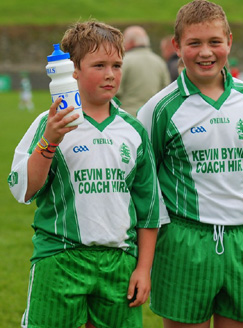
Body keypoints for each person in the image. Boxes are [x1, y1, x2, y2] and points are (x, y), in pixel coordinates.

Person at [8, 20, 160, 328]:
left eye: (117, 65)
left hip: (119, 262)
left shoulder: (133, 131)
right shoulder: (50, 123)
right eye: (99, 65)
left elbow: (149, 210)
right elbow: (24, 190)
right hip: (60, 258)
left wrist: (143, 269)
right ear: (72, 70)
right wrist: (49, 142)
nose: (110, 74)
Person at [137, 1, 243, 327]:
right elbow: (145, 186)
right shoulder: (159, 109)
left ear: (229, 40)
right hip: (186, 243)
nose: (205, 52)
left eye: (215, 42)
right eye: (194, 43)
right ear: (176, 47)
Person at [116, 25, 170, 116]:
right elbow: (166, 91)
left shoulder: (123, 61)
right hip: (151, 117)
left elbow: (115, 91)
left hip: (127, 117)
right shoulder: (159, 62)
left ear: (131, 42)